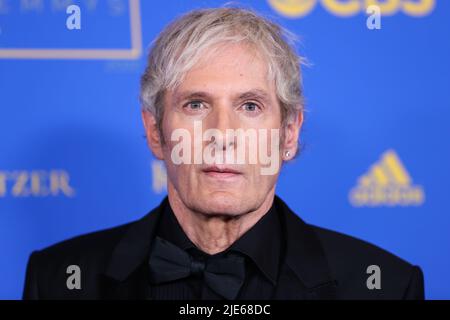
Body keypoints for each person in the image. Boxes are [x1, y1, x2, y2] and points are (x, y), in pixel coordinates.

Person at [23, 7, 424, 300]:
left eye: (250, 106)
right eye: (196, 105)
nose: (222, 134)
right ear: (155, 131)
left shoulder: (384, 286)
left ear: (289, 133)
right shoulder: (59, 280)